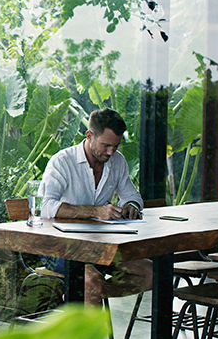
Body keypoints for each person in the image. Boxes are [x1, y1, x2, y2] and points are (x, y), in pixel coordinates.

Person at [38, 108, 153, 309]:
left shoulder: (117, 161)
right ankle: (89, 330)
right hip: (57, 248)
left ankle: (84, 295)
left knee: (150, 273)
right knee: (90, 280)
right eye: (105, 145)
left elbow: (132, 196)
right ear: (89, 136)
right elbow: (45, 207)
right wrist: (94, 211)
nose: (110, 152)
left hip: (99, 248)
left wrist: (131, 206)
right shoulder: (62, 161)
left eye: (115, 147)